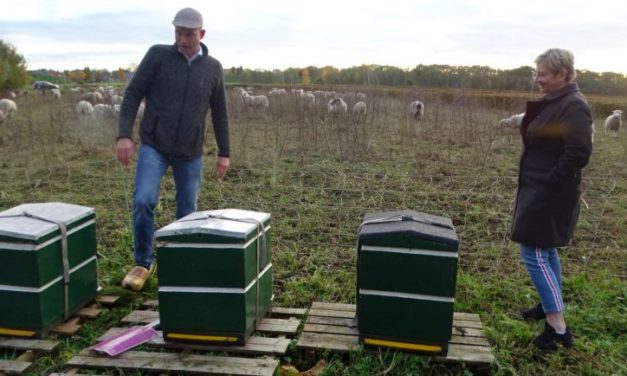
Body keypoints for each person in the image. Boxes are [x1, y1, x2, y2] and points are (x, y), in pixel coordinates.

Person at [116, 7, 230, 291]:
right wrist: (124, 135)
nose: (182, 39)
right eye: (178, 32)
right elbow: (133, 94)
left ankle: (182, 264)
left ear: (201, 34)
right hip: (154, 145)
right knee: (143, 200)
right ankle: (143, 262)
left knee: (187, 212)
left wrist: (224, 152)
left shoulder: (213, 68)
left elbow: (220, 112)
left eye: (189, 34)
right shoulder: (157, 56)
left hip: (190, 152)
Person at [510, 48, 592, 350]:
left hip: (550, 193)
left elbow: (579, 153)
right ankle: (547, 307)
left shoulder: (574, 106)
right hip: (539, 187)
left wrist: (548, 182)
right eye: (537, 73)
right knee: (546, 250)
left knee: (532, 253)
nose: (538, 79)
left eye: (543, 74)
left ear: (562, 74)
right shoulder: (555, 102)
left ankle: (557, 328)